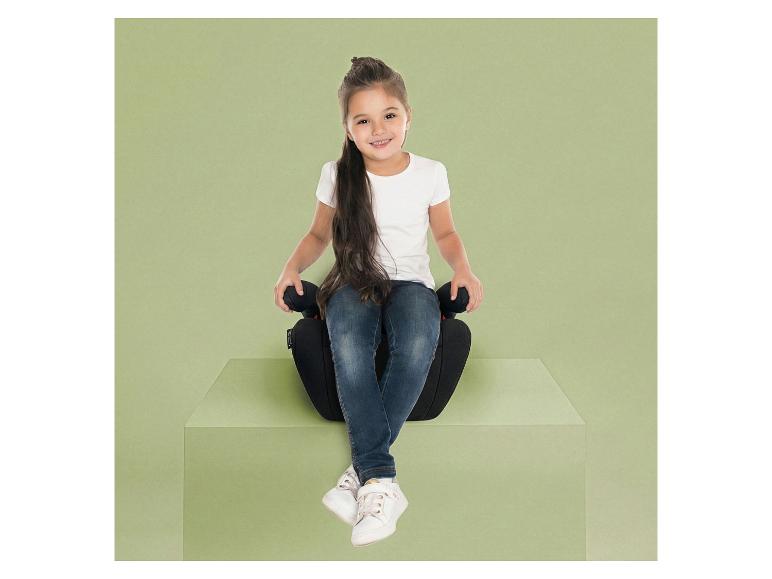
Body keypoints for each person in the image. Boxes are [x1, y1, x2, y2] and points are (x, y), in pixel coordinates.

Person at [273, 56, 483, 547]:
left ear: (409, 115)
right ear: (348, 129)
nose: (378, 129)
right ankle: (382, 480)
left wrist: (463, 269)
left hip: (409, 281)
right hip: (352, 281)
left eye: (389, 115)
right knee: (348, 346)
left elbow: (446, 232)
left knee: (416, 342)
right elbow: (317, 234)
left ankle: (361, 475)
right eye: (362, 120)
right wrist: (291, 269)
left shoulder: (431, 172)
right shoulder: (336, 174)